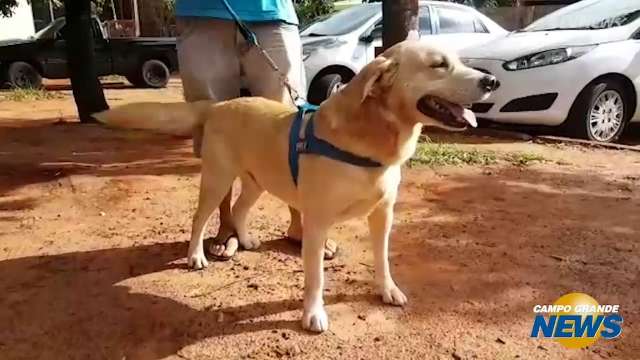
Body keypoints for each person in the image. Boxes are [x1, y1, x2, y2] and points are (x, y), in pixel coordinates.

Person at [175, 0, 337, 261]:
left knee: (291, 125)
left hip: (272, 12)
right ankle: (227, 223)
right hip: (202, 12)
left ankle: (300, 223)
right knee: (217, 130)